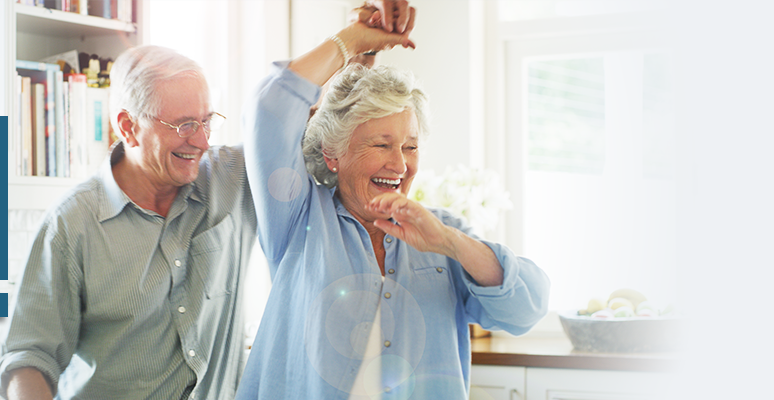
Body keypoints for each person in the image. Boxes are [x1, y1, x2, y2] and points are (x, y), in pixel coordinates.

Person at [236, 6, 551, 399]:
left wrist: (450, 243)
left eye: (410, 146)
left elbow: (527, 308)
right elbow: (270, 110)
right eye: (381, 145)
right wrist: (350, 41)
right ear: (333, 154)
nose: (401, 164)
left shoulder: (441, 233)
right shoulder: (299, 219)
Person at [0, 46, 256, 400]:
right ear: (128, 127)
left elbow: (292, 121)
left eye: (206, 120)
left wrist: (350, 48)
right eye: (184, 125)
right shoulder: (73, 223)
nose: (201, 140)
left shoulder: (232, 178)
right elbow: (28, 357)